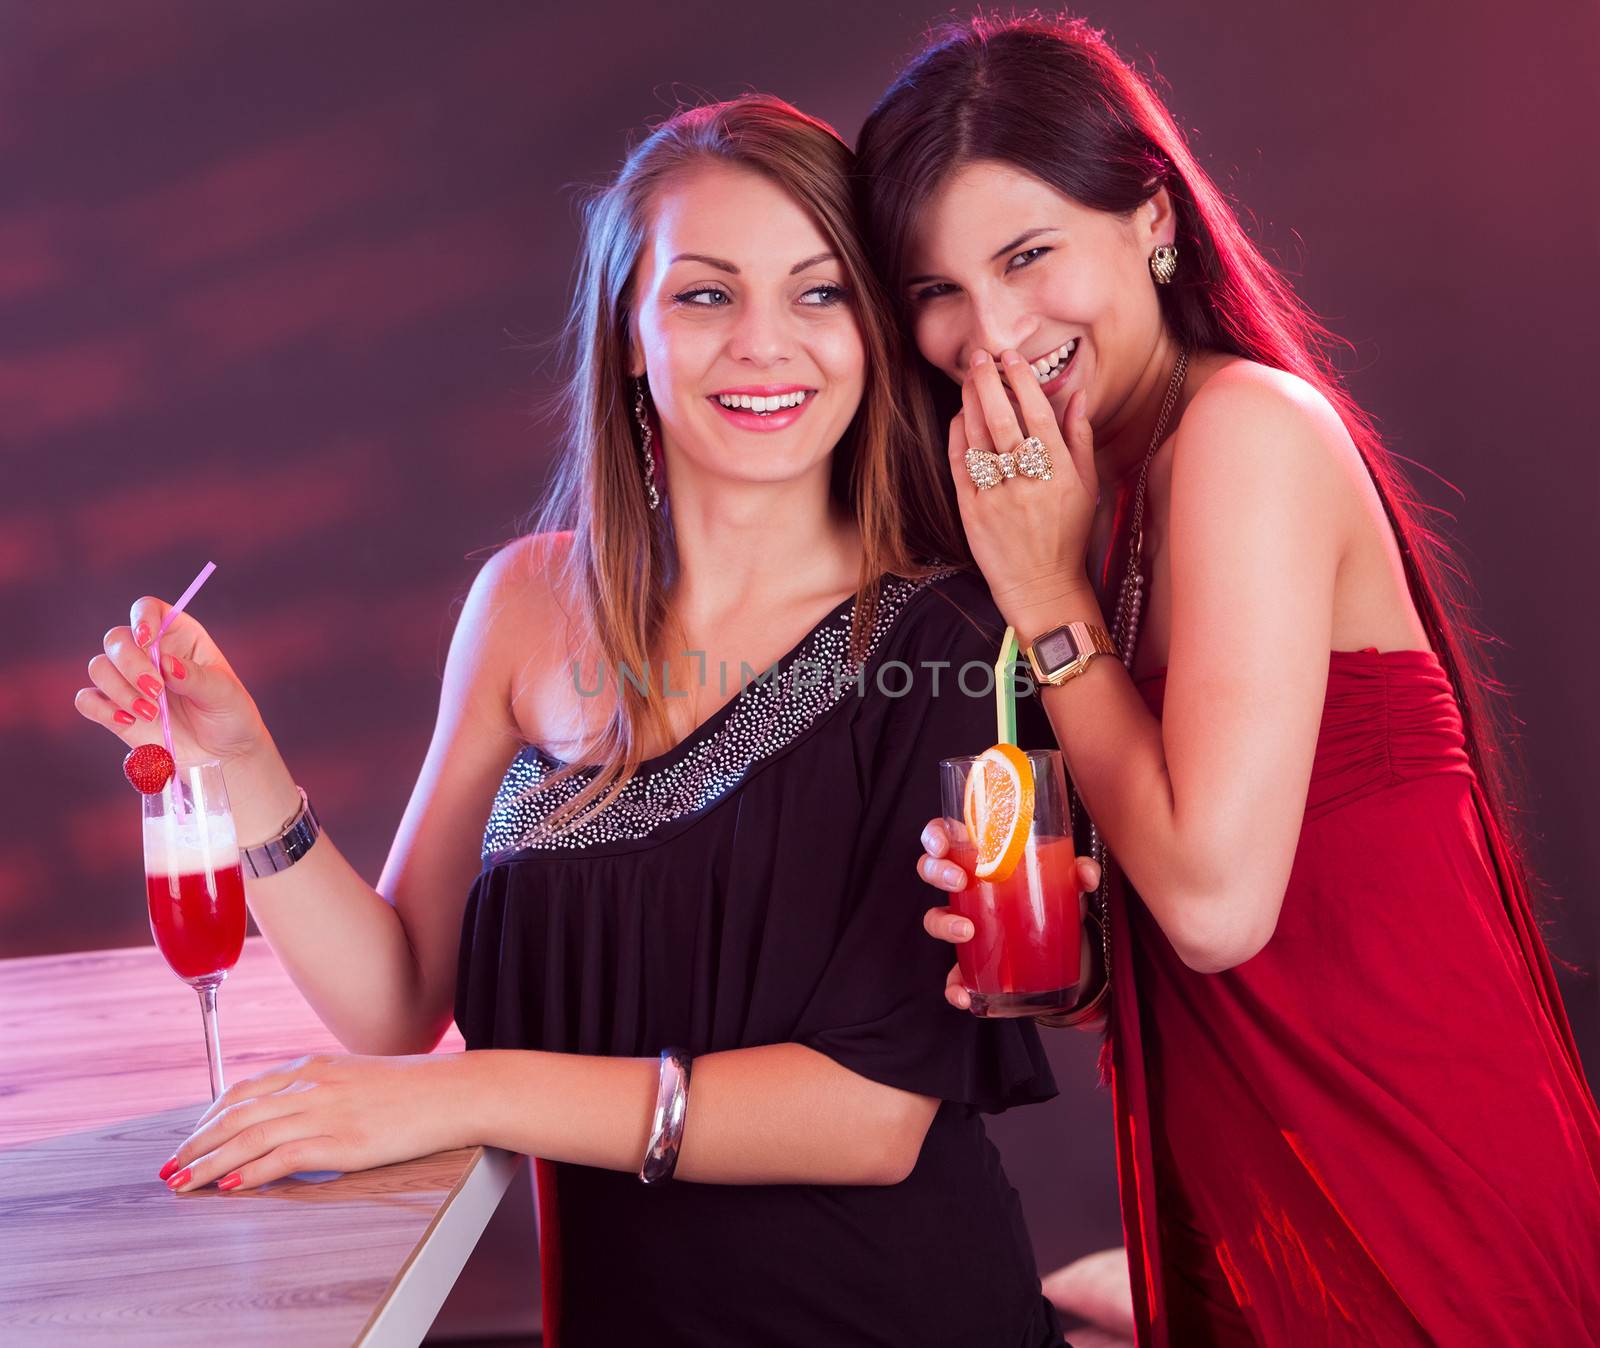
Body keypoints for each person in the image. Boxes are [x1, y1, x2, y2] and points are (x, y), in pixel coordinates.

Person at [75, 94, 1094, 1348]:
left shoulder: (947, 641)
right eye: (705, 295)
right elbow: (395, 997)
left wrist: (467, 1096)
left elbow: (871, 1117)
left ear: (873, 333)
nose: (764, 346)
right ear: (629, 332)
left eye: (818, 293)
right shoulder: (525, 603)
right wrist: (239, 759)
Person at [857, 14, 1600, 1347]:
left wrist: (1047, 601)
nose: (993, 332)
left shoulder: (1247, 434)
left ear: (1152, 218)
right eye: (937, 292)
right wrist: (1067, 955)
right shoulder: (1111, 490)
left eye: (1028, 256)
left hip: (1413, 1206)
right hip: (1262, 1216)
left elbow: (1212, 906)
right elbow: (1208, 899)